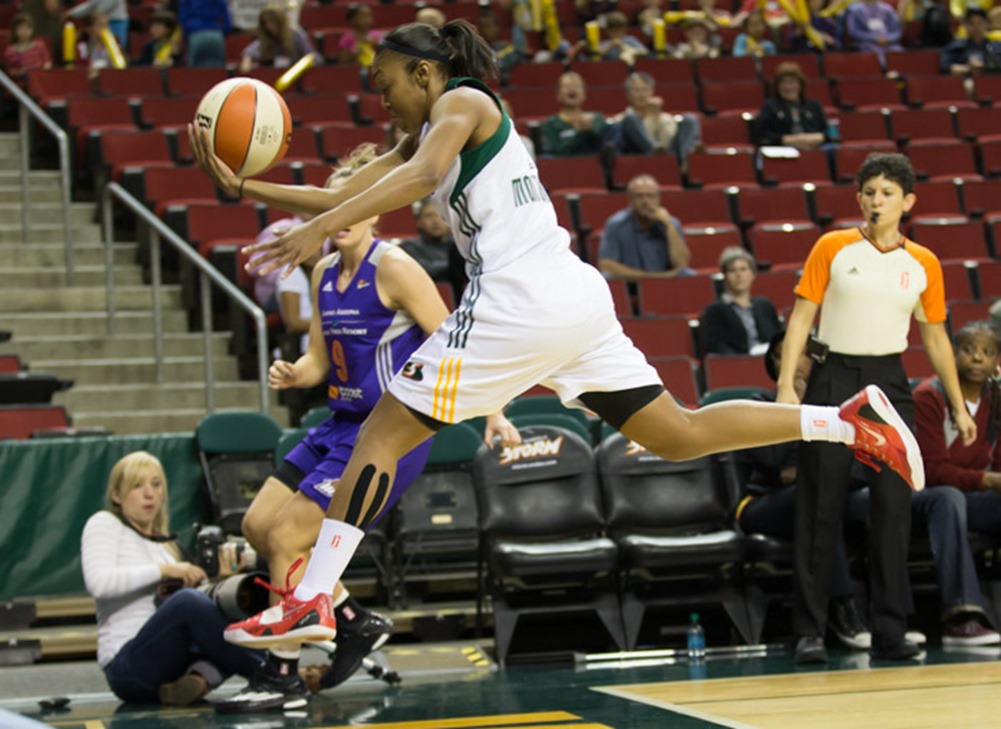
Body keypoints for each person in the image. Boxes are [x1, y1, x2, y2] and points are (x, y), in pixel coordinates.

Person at [188, 20, 927, 674]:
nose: (378, 99)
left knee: (384, 425)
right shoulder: (427, 131)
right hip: (570, 300)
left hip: (518, 299)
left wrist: (318, 232)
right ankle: (848, 420)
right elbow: (350, 194)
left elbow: (409, 180)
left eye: (383, 84)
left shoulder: (465, 101)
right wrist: (251, 187)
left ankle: (313, 595)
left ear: (423, 72)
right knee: (677, 432)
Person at [215, 145, 521, 712]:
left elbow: (457, 343)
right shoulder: (324, 270)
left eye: (360, 203)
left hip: (388, 434)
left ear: (377, 211)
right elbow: (317, 359)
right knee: (259, 526)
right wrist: (294, 372)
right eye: (338, 205)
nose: (347, 214)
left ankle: (281, 672)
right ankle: (351, 619)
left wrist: (494, 411)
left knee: (287, 539)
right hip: (336, 423)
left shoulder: (397, 267)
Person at [777, 152, 976, 664]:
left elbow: (935, 338)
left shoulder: (924, 263)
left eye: (886, 193)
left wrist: (959, 405)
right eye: (868, 192)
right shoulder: (832, 246)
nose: (875, 201)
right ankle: (810, 631)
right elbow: (800, 319)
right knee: (819, 506)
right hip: (833, 377)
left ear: (907, 202)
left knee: (893, 510)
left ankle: (890, 629)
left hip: (891, 383)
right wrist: (786, 386)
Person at [81, 451, 265, 706]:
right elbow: (99, 583)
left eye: (156, 485)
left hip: (173, 660)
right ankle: (271, 673)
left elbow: (199, 611)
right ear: (116, 494)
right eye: (137, 485)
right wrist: (167, 571)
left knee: (234, 605)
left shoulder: (166, 545)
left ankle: (196, 680)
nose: (149, 494)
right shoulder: (105, 523)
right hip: (128, 667)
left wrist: (220, 580)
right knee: (186, 601)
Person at [735, 331, 872, 652]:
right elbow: (770, 458)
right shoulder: (760, 404)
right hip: (763, 504)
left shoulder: (836, 408)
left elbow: (857, 467)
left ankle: (887, 617)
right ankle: (844, 609)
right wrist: (793, 412)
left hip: (822, 496)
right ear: (774, 364)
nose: (795, 362)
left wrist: (802, 473)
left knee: (849, 501)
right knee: (815, 498)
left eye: (803, 354)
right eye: (785, 355)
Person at [912, 320, 1001, 644]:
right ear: (951, 354)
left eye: (987, 352)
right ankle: (961, 617)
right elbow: (930, 470)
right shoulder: (929, 396)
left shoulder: (997, 397)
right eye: (968, 350)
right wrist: (988, 480)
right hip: (922, 498)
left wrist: (992, 481)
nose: (977, 358)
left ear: (997, 361)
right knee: (949, 497)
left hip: (971, 496)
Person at [598, 174, 693, 282]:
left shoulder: (671, 223)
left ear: (658, 198)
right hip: (631, 284)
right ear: (630, 199)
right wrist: (654, 278)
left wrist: (669, 226)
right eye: (639, 196)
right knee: (606, 277)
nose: (645, 202)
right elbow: (607, 265)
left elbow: (682, 264)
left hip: (669, 283)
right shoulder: (616, 224)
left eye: (650, 196)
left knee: (688, 274)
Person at [699, 247, 781, 357]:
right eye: (732, 270)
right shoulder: (715, 310)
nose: (739, 275)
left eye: (743, 269)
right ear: (725, 276)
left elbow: (778, 338)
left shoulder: (765, 305)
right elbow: (717, 346)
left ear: (753, 274)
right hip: (737, 365)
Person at [611, 72, 702, 162]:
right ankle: (654, 150)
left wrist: (656, 117)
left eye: (645, 90)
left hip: (670, 158)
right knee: (631, 119)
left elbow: (668, 142)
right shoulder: (621, 119)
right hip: (640, 158)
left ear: (652, 92)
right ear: (628, 94)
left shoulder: (665, 118)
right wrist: (650, 119)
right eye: (637, 90)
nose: (642, 95)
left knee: (690, 119)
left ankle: (685, 161)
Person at [400, 197, 468, 303]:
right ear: (419, 221)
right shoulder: (409, 248)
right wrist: (455, 266)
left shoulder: (460, 246)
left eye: (440, 216)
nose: (435, 221)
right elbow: (421, 271)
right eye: (429, 216)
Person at [752, 61, 829, 150]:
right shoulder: (769, 107)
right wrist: (786, 139)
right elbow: (760, 134)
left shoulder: (814, 106)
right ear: (777, 86)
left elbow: (827, 132)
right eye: (784, 83)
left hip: (815, 148)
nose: (788, 87)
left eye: (792, 82)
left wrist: (815, 138)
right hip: (782, 149)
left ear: (800, 85)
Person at [539, 71, 609, 157]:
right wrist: (580, 132)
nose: (572, 89)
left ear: (584, 94)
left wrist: (590, 130)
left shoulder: (596, 118)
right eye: (566, 86)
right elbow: (552, 153)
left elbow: (605, 145)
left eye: (577, 86)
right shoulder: (550, 124)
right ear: (558, 94)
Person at [238, 3, 318, 74]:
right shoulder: (266, 37)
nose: (269, 26)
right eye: (266, 23)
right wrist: (247, 60)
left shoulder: (296, 34)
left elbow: (311, 56)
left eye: (272, 22)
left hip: (294, 78)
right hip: (273, 78)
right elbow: (250, 51)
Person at [940, 9, 1001, 76]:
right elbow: (945, 67)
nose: (976, 28)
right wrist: (968, 69)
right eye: (971, 23)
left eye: (979, 23)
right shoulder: (956, 48)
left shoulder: (996, 47)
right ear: (965, 25)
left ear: (987, 24)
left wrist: (984, 67)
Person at [178, 0, 231, 68]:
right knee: (218, 70)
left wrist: (186, 36)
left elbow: (182, 19)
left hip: (195, 35)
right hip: (215, 35)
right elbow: (226, 16)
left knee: (193, 72)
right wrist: (222, 33)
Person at [4, 13, 53, 85]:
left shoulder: (40, 45)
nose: (24, 31)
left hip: (40, 81)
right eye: (21, 28)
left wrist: (41, 71)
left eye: (27, 28)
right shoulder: (10, 50)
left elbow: (48, 63)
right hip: (21, 84)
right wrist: (21, 72)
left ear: (32, 29)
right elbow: (10, 71)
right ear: (15, 31)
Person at [338, 4, 384, 69]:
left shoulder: (376, 35)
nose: (367, 20)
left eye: (368, 16)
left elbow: (385, 51)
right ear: (352, 20)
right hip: (355, 70)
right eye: (363, 16)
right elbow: (343, 59)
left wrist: (375, 43)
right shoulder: (347, 38)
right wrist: (355, 52)